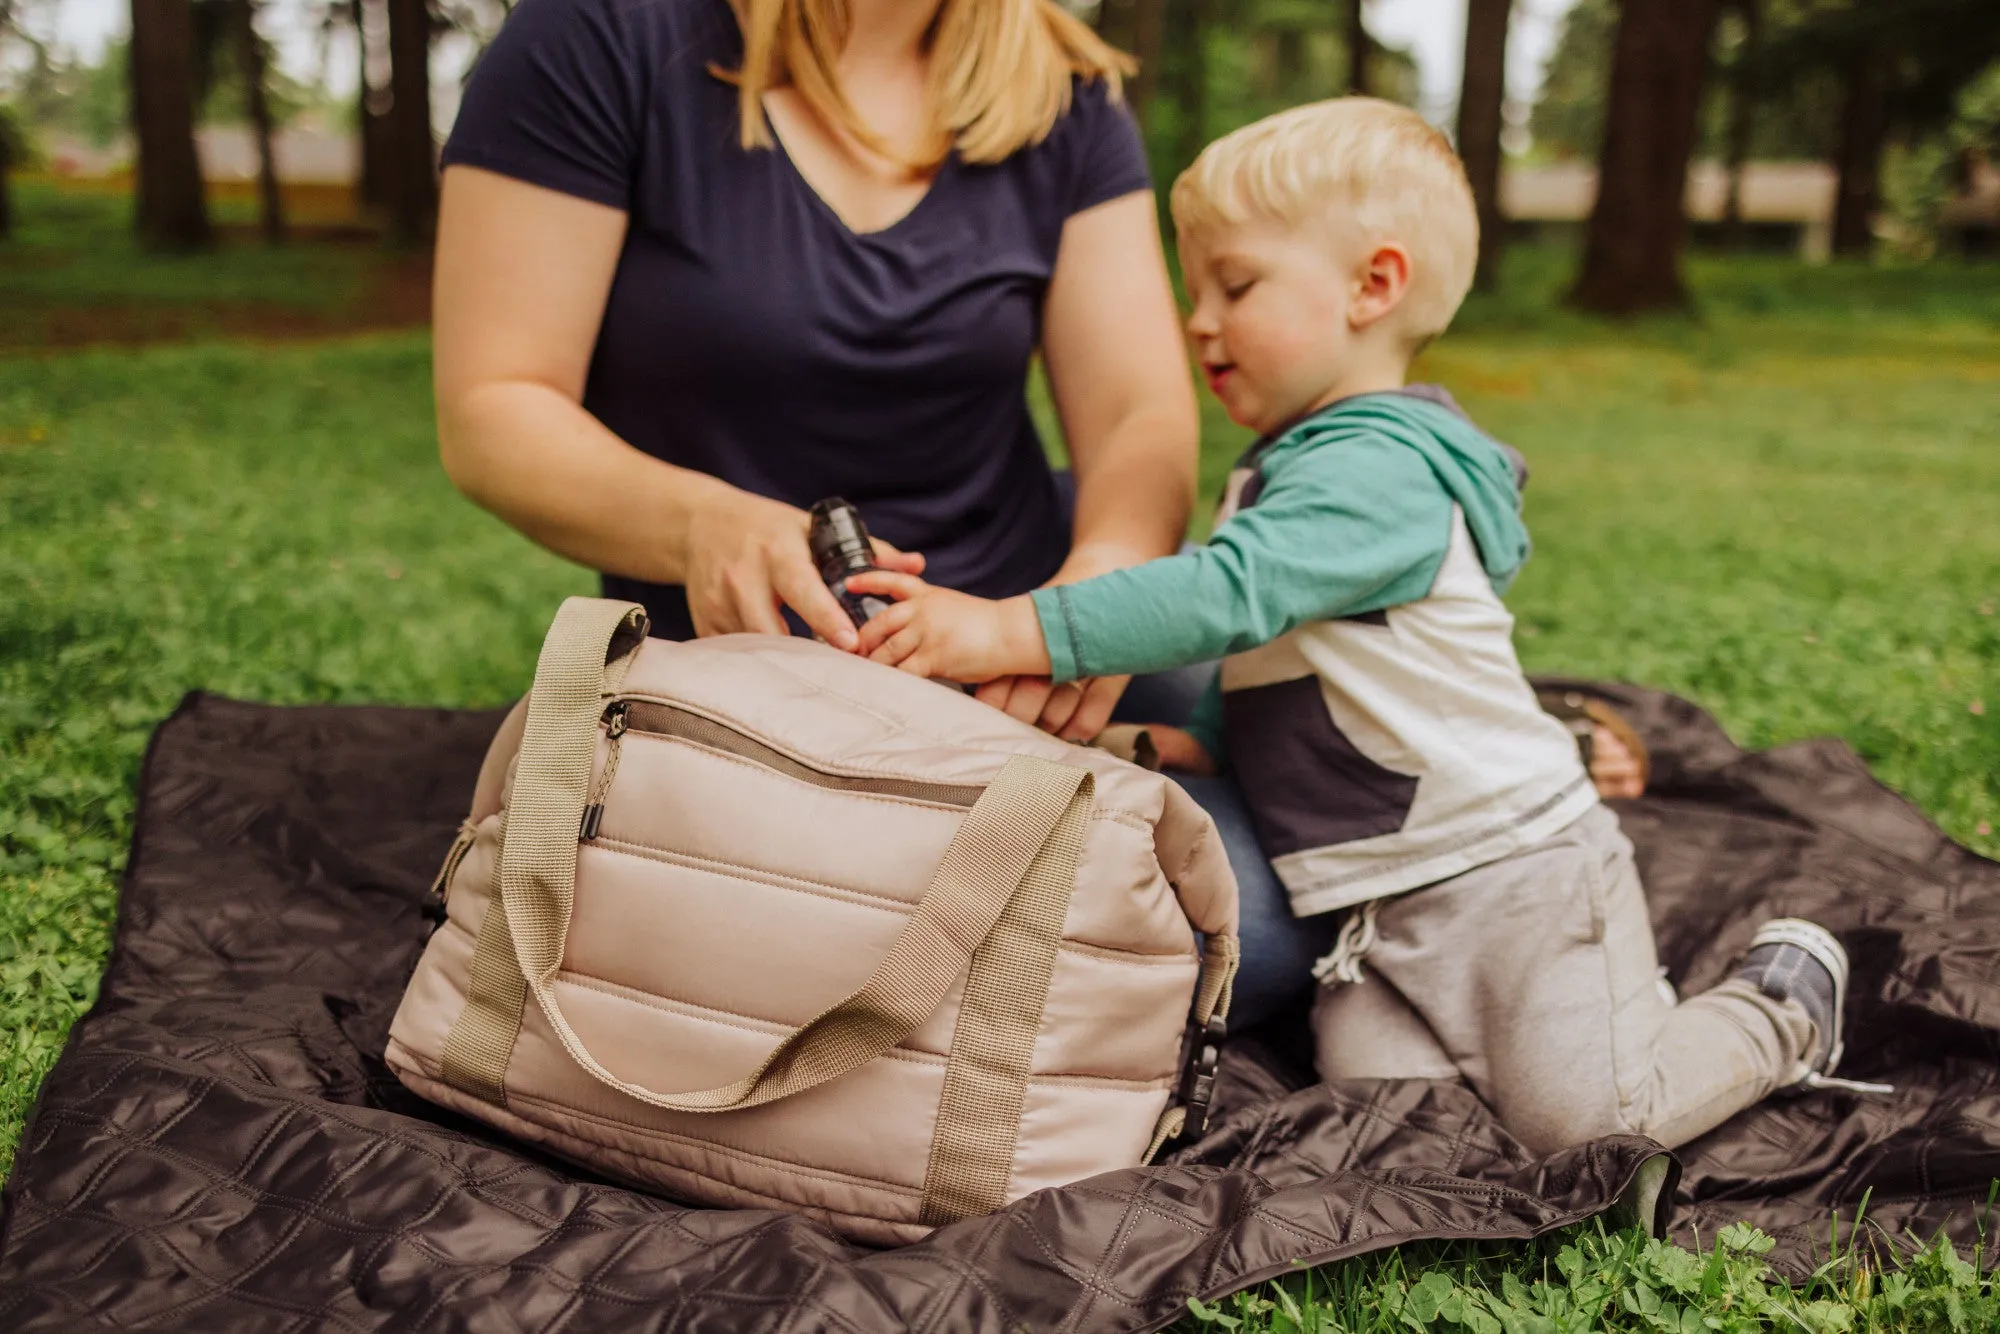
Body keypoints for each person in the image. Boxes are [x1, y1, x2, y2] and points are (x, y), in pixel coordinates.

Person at [426, 0, 1641, 1032]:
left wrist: (1079, 605)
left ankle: (1517, 763)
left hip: (1036, 631)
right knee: (1195, 936)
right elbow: (495, 407)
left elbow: (1134, 425)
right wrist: (700, 524)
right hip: (759, 667)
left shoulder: (1058, 92)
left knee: (1257, 919)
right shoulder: (595, 40)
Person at [844, 98, 1856, 1154]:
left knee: (1594, 1125)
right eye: (1193, 290)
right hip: (1371, 905)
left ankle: (1779, 1004)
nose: (1198, 319)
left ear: (1372, 286)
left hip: (1505, 872)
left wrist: (1012, 628)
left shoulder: (1378, 466)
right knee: (1391, 1119)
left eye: (1234, 286)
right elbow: (1272, 659)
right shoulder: (1288, 469)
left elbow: (1225, 596)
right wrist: (1186, 745)